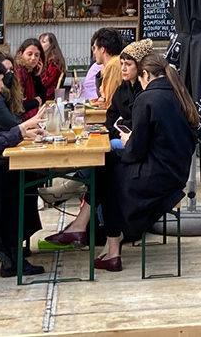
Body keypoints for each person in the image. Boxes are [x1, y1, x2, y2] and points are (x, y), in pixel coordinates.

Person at [44, 39, 154, 269]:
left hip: (142, 158)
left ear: (141, 67)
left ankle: (85, 230)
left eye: (128, 64)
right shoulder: (125, 89)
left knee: (104, 171)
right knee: (103, 168)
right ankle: (100, 240)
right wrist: (120, 128)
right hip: (125, 149)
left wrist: (120, 129)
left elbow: (136, 127)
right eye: (122, 63)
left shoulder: (146, 92)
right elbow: (112, 119)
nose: (123, 68)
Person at [99, 53, 198, 271]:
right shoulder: (179, 94)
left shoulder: (146, 99)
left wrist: (127, 139)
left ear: (144, 74)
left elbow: (135, 151)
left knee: (106, 174)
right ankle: (112, 245)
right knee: (111, 170)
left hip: (155, 178)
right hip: (176, 173)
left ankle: (113, 249)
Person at [0, 57, 44, 275]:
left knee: (21, 178)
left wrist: (21, 131)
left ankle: (11, 251)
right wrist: (22, 130)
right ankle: (9, 251)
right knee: (18, 182)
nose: (1, 87)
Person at [15, 38, 46, 120]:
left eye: (36, 55)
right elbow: (17, 108)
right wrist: (35, 102)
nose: (33, 58)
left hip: (30, 118)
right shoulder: (20, 73)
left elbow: (43, 97)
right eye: (29, 54)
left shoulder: (30, 72)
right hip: (21, 121)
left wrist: (37, 75)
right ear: (21, 53)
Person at [92, 28, 123, 109]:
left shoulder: (113, 66)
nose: (94, 52)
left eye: (94, 48)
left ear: (102, 49)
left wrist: (103, 103)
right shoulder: (115, 62)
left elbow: (109, 103)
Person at [39, 32, 67, 100]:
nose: (40, 45)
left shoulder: (53, 61)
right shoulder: (52, 58)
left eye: (43, 42)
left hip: (47, 95)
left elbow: (46, 82)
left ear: (51, 44)